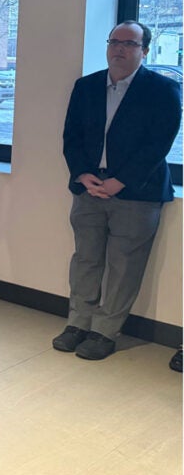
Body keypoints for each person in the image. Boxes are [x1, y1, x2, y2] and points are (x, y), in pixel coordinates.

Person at [53, 21, 181, 361]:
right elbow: (71, 136)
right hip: (89, 188)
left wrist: (120, 181)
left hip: (137, 193)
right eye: (114, 42)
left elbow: (158, 144)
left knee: (124, 265)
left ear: (145, 50)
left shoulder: (163, 90)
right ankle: (78, 323)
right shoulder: (86, 86)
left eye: (129, 43)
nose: (120, 49)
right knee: (86, 259)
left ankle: (105, 331)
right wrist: (82, 174)